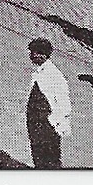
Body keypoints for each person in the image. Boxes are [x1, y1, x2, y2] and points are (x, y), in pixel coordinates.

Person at [25, 38, 71, 169]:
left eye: (34, 53)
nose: (31, 56)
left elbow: (63, 103)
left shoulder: (54, 75)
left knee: (50, 157)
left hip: (46, 124)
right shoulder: (41, 71)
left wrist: (55, 123)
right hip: (37, 122)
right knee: (39, 154)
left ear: (42, 55)